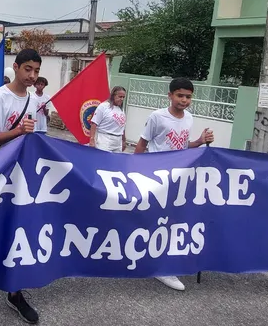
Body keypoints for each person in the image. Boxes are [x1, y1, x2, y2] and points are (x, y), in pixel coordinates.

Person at [133, 77, 213, 292]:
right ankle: (155, 263)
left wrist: (200, 141)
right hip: (156, 175)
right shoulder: (157, 117)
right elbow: (142, 144)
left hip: (179, 176)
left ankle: (161, 263)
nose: (184, 100)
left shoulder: (189, 118)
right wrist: (134, 172)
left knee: (172, 220)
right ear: (170, 95)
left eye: (188, 96)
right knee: (156, 218)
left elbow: (184, 144)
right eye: (180, 95)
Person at [0, 49, 42, 325]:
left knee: (19, 226)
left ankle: (14, 291)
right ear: (16, 68)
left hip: (21, 173)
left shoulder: (34, 99)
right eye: (27, 69)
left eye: (36, 71)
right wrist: (18, 131)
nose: (32, 76)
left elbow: (34, 137)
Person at [89, 86, 128, 153]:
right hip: (105, 138)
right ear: (113, 96)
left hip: (118, 140)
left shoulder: (121, 110)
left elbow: (122, 126)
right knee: (103, 159)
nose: (122, 99)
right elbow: (94, 123)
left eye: (123, 97)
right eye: (120, 96)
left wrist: (124, 140)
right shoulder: (103, 107)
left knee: (116, 161)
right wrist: (92, 139)